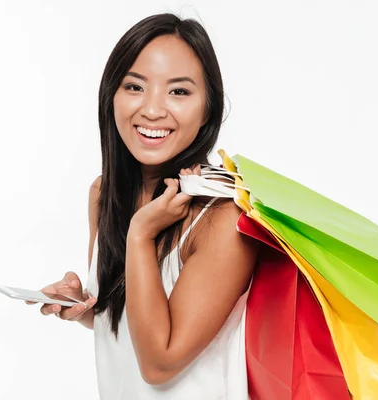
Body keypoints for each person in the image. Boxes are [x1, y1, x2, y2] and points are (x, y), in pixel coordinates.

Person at [28, 13, 260, 399]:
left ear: (208, 109)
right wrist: (85, 307)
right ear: (111, 96)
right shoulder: (105, 193)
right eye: (135, 86)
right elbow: (129, 320)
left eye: (179, 92)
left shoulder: (223, 217)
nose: (152, 110)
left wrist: (140, 233)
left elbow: (159, 363)